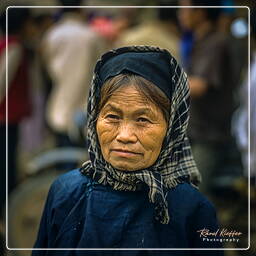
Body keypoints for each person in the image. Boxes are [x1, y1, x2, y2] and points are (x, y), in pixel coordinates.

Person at [32, 46, 224, 256]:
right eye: (112, 117)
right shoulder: (65, 192)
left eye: (143, 119)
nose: (125, 135)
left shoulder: (191, 209)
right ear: (94, 118)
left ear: (172, 128)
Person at [178, 0, 243, 195]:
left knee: (194, 198)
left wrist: (162, 82)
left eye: (185, 9)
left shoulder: (216, 43)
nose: (180, 14)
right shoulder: (199, 40)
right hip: (195, 131)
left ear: (201, 12)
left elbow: (199, 85)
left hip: (209, 135)